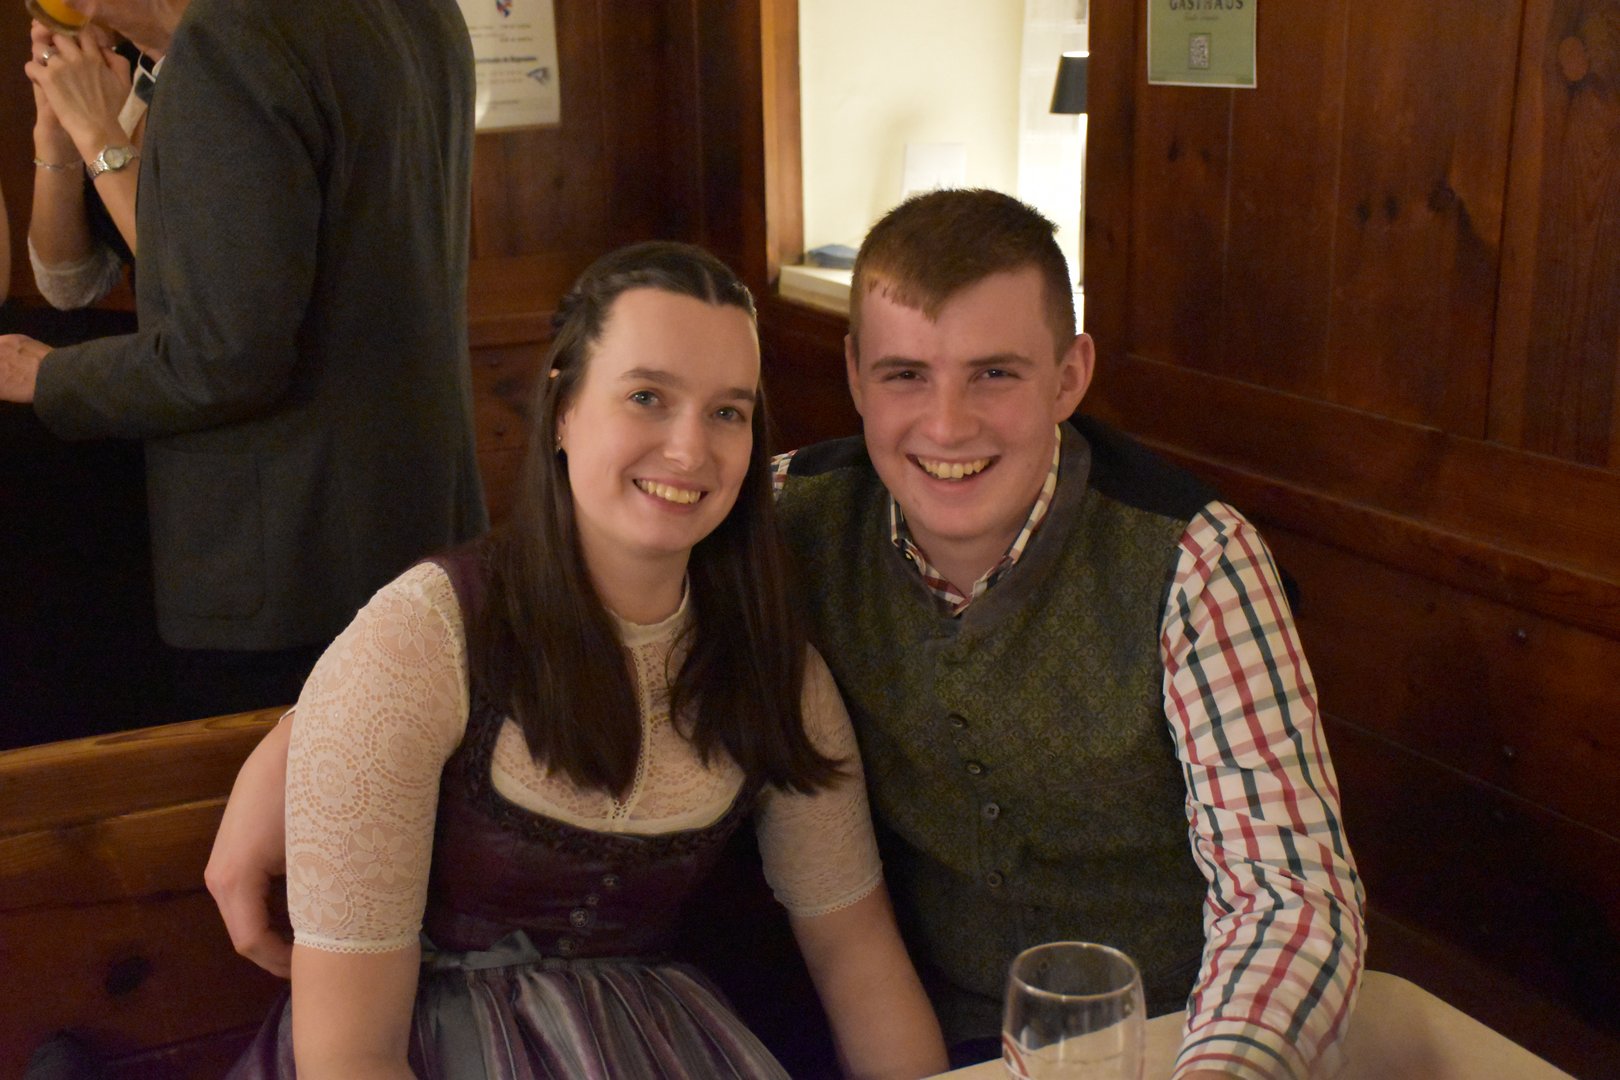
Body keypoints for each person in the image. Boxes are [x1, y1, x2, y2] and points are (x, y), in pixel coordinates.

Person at [207, 192, 1364, 1080]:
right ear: (854, 377)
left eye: (996, 375)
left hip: (1170, 1039)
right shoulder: (791, 514)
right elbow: (467, 627)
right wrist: (304, 739)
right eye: (906, 374)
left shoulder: (1188, 561)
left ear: (1071, 376)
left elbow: (1289, 896)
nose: (946, 423)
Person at [215, 241, 946, 1079]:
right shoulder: (427, 636)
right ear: (563, 410)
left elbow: (857, 957)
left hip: (659, 1042)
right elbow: (348, 1058)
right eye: (647, 397)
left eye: (727, 412)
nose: (689, 450)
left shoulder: (774, 665)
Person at [0, 0, 487, 719]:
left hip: (287, 563)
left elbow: (222, 355)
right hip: (419, 526)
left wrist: (48, 375)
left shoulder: (231, 39)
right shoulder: (423, 10)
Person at [25, 10, 169, 308]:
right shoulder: (128, 64)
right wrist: (57, 134)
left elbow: (206, 292)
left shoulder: (234, 73)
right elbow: (71, 289)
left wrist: (99, 135)